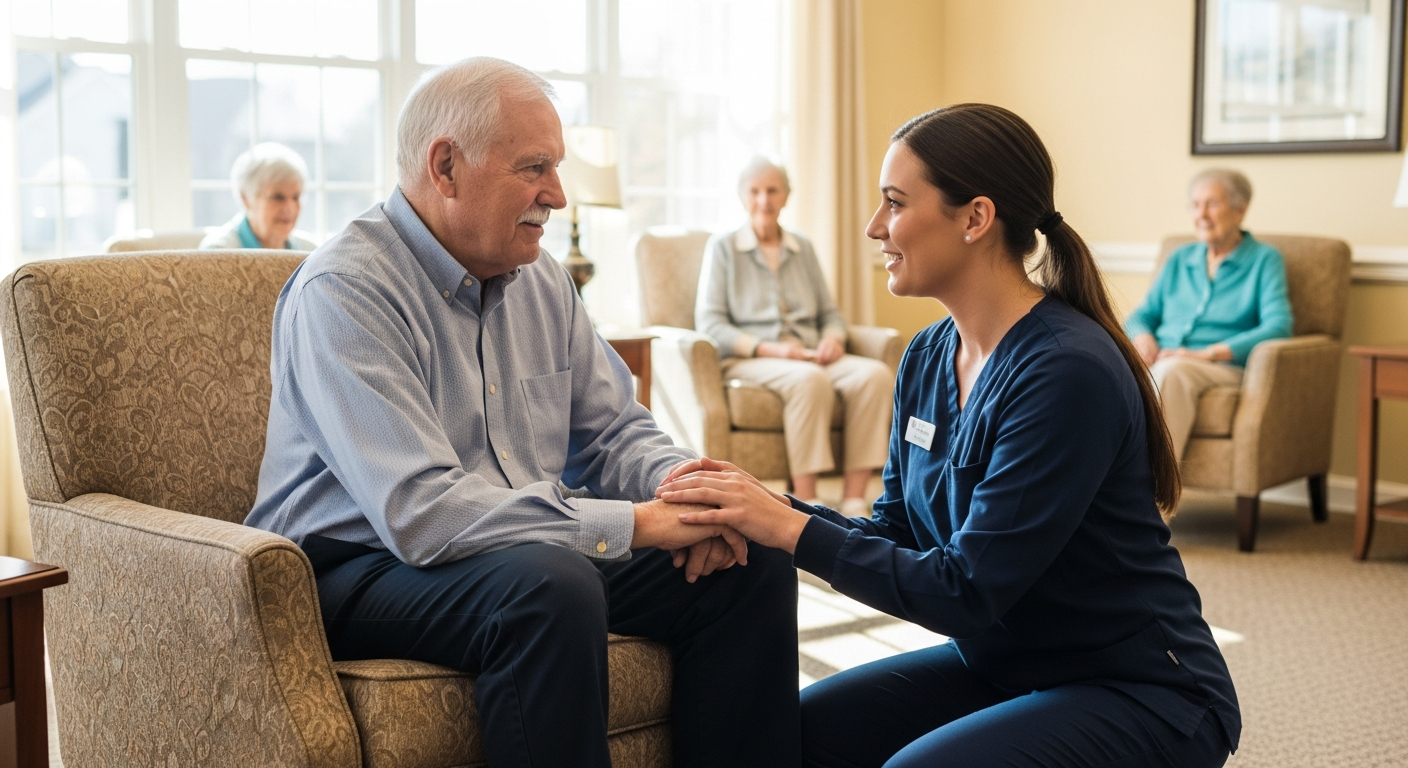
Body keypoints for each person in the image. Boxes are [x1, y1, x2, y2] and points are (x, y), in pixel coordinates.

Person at [244, 57, 800, 768]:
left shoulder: (541, 278)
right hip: (358, 565)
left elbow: (614, 431)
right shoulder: (345, 291)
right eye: (534, 167)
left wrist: (690, 497)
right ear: (445, 167)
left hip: (520, 545)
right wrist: (635, 524)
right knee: (550, 584)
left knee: (747, 565)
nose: (559, 195)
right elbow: (421, 511)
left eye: (557, 168)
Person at [659, 104, 1240, 767]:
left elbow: (965, 590)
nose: (875, 227)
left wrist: (788, 530)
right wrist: (766, 509)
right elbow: (900, 530)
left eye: (895, 203)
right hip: (1006, 665)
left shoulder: (1066, 372)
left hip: (1141, 690)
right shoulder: (929, 353)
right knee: (797, 733)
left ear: (975, 218)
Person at [696, 157, 894, 516]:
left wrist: (833, 337)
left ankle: (854, 500)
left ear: (786, 196)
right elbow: (711, 324)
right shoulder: (723, 248)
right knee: (809, 380)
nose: (764, 200)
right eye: (755, 191)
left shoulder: (802, 248)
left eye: (772, 190)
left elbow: (830, 314)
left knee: (874, 376)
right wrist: (771, 349)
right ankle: (808, 502)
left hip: (808, 353)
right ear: (743, 197)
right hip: (752, 359)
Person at [1125, 169, 1292, 460]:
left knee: (1172, 371)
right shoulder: (1180, 257)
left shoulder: (1264, 260)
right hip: (1164, 357)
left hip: (1218, 366)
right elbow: (1141, 315)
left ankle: (1154, 499)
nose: (1201, 214)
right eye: (1195, 204)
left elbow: (1279, 327)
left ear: (1240, 210)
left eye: (1212, 204)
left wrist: (1207, 354)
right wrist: (1143, 339)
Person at [200, 142, 318, 251]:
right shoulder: (217, 253)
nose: (290, 208)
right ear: (245, 198)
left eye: (296, 197)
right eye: (278, 197)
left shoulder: (311, 252)